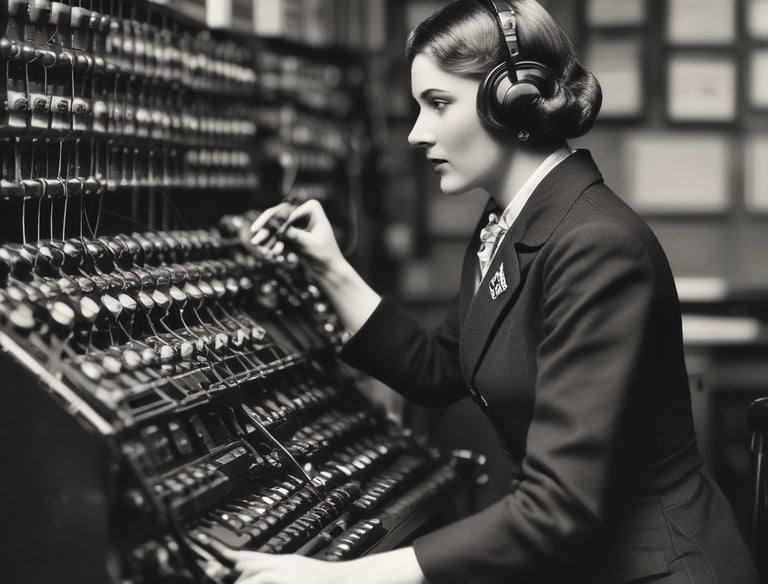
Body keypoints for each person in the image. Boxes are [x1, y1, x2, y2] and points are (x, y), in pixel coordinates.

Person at [225, 1, 760, 582]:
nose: (416, 133)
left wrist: (339, 576)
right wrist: (329, 266)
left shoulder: (597, 245)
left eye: (438, 103)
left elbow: (558, 508)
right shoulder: (507, 222)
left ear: (511, 101)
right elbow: (437, 367)